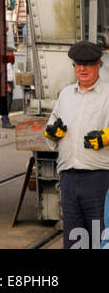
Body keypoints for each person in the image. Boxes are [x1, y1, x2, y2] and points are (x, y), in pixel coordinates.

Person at [43, 40, 109, 249]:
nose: (82, 69)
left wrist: (106, 137)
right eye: (78, 64)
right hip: (69, 179)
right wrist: (52, 133)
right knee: (74, 243)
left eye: (87, 64)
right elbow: (50, 132)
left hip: (99, 179)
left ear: (99, 64)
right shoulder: (65, 95)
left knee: (100, 240)